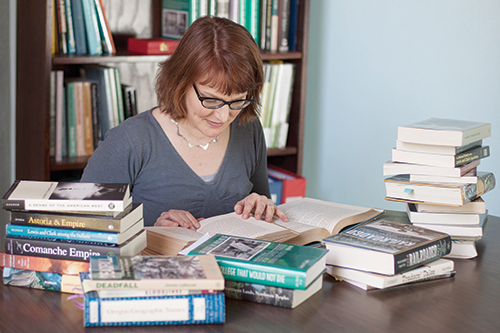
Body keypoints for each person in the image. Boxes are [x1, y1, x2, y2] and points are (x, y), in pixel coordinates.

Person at [80, 16, 288, 228]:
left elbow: (262, 219)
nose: (223, 116)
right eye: (211, 100)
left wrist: (262, 206)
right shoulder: (129, 142)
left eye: (237, 101)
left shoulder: (248, 129)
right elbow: (82, 233)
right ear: (181, 82)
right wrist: (153, 234)